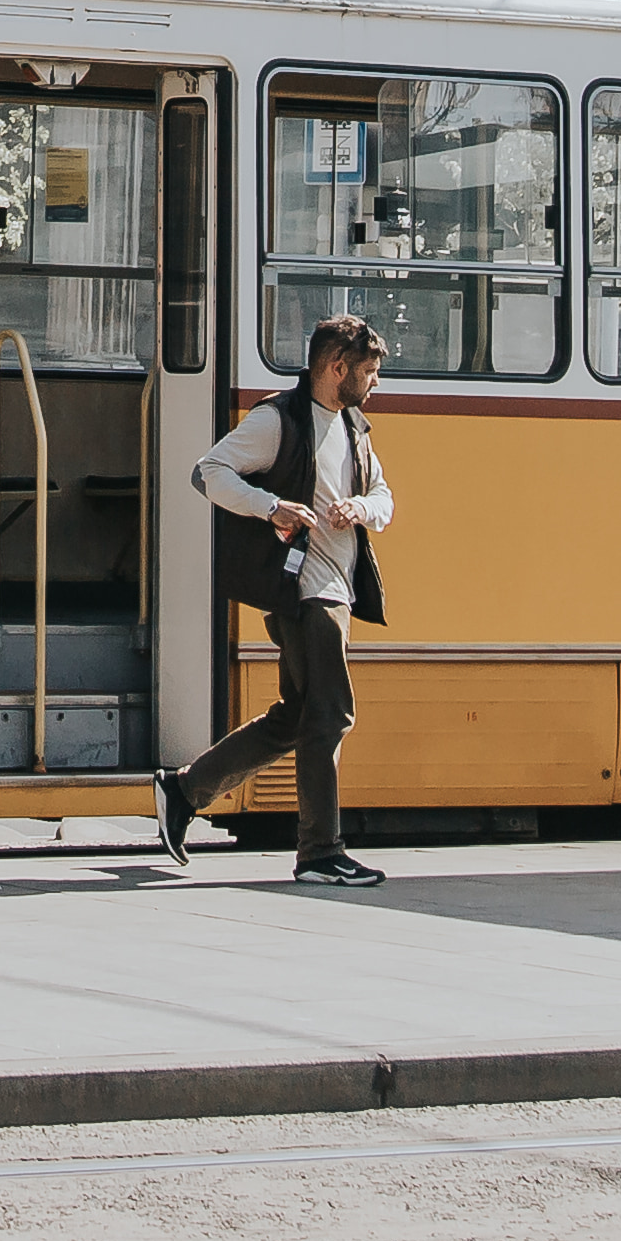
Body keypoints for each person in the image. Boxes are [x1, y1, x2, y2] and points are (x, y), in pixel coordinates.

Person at [156, 313, 395, 889]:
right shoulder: (278, 420)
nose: (375, 384)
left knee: (298, 716)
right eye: (368, 372)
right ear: (336, 368)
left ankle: (185, 790)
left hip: (337, 586)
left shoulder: (354, 427)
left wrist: (361, 509)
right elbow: (206, 472)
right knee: (330, 715)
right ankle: (320, 852)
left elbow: (385, 498)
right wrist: (272, 507)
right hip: (304, 593)